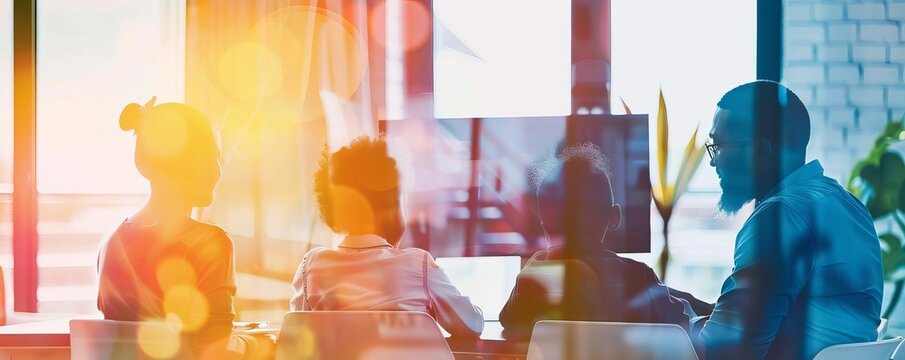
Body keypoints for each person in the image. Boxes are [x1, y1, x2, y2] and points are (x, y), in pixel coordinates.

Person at [694, 80, 882, 359]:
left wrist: (668, 320)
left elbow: (726, 352)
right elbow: (793, 318)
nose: (713, 161)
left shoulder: (780, 216)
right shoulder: (847, 204)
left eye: (719, 145)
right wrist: (697, 308)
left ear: (761, 151)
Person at [97, 98, 273, 359]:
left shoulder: (111, 243)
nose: (219, 169)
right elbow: (217, 351)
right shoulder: (208, 242)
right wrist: (264, 343)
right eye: (216, 156)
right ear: (194, 162)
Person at [290, 136, 484, 337]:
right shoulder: (419, 265)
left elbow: (299, 335)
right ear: (393, 207)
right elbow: (472, 325)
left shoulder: (311, 267)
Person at [499, 143, 688, 339]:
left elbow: (508, 321)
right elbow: (680, 328)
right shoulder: (640, 276)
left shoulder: (533, 274)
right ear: (615, 217)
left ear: (543, 223)